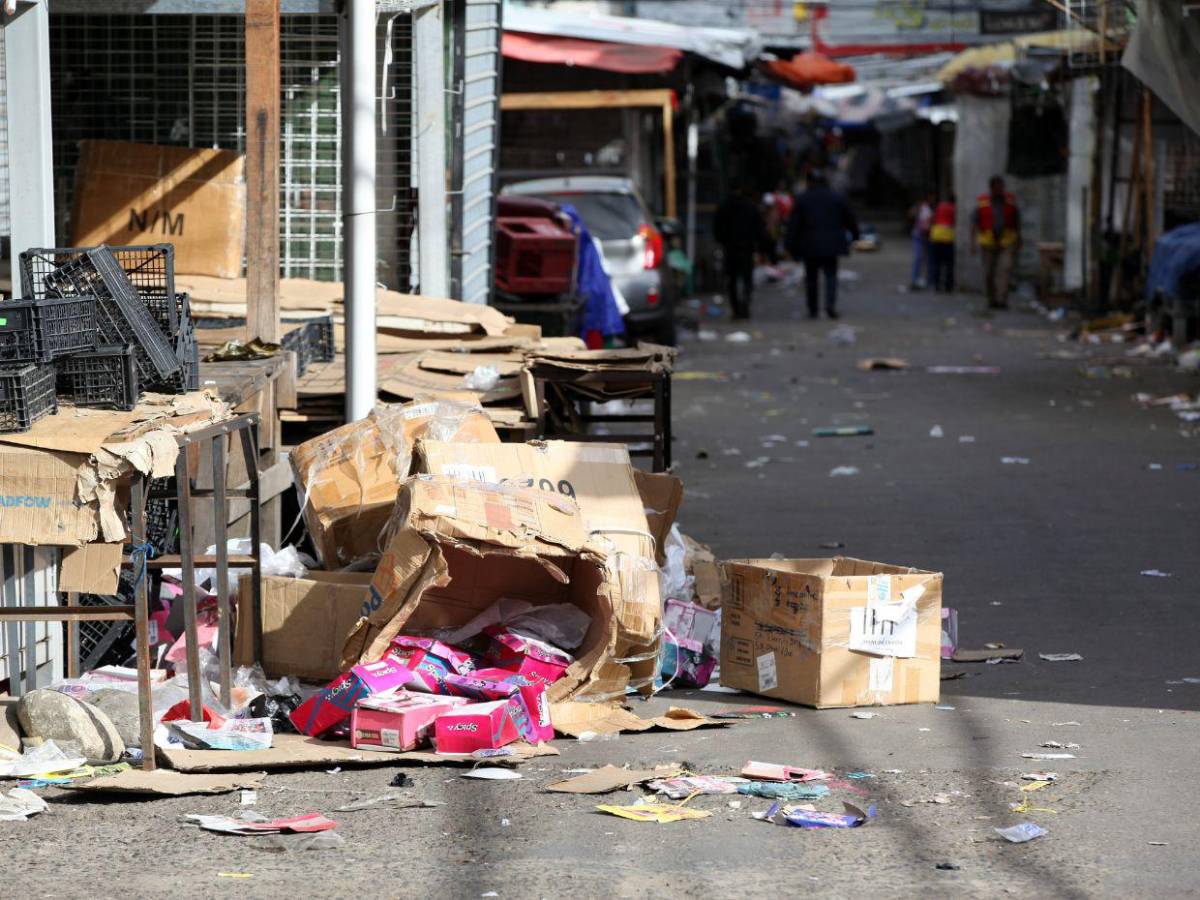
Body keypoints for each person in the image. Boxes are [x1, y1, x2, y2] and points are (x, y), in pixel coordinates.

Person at [785, 170, 860, 320]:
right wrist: (855, 236)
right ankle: (830, 306)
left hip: (810, 245)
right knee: (831, 276)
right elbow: (849, 219)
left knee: (812, 278)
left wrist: (790, 245)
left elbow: (793, 225)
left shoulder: (802, 199)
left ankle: (813, 309)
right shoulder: (836, 198)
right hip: (831, 245)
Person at [714, 184, 770, 320]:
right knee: (746, 279)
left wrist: (723, 241)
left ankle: (736, 308)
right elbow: (760, 230)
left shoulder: (725, 206)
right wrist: (762, 249)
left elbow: (717, 228)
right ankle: (744, 306)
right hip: (746, 248)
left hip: (731, 248)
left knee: (732, 280)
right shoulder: (750, 207)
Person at [970, 175, 1021, 309]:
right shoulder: (982, 203)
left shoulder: (1010, 202)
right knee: (989, 272)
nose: (1001, 190)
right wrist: (973, 243)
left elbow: (1017, 221)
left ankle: (1002, 299)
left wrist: (1019, 240)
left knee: (1005, 269)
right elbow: (975, 223)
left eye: (1002, 187)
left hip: (1007, 241)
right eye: (998, 187)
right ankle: (991, 299)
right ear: (992, 188)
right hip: (988, 242)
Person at [928, 194, 956, 293]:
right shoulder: (953, 208)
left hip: (936, 236)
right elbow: (955, 221)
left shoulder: (939, 207)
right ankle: (949, 286)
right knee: (949, 264)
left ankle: (937, 285)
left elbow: (931, 219)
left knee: (937, 263)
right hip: (948, 238)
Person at [909, 193, 934, 290]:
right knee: (920, 257)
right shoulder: (923, 208)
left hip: (923, 235)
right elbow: (924, 223)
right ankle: (917, 279)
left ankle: (923, 279)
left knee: (924, 258)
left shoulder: (926, 208)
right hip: (921, 235)